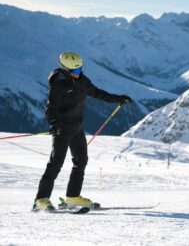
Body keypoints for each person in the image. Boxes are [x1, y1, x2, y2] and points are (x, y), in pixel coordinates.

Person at [34, 51, 133, 210]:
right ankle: (41, 199)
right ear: (66, 69)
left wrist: (118, 98)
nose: (78, 73)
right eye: (75, 71)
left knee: (81, 162)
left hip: (77, 128)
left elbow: (97, 92)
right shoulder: (59, 84)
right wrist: (54, 124)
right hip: (62, 130)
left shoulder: (82, 80)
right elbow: (50, 107)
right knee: (56, 163)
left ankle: (73, 197)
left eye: (80, 69)